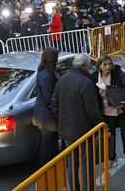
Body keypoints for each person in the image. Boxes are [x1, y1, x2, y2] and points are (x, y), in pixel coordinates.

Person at [51, 53, 104, 191]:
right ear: (86, 66)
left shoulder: (62, 80)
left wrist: (63, 120)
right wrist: (102, 125)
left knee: (72, 164)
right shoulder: (86, 82)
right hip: (84, 132)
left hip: (67, 130)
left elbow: (54, 105)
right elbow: (92, 110)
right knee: (87, 165)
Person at [93, 55, 125, 176]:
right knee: (110, 137)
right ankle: (112, 158)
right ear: (99, 66)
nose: (108, 67)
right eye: (105, 64)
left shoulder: (118, 74)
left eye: (109, 64)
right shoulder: (95, 77)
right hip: (106, 113)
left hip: (121, 111)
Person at [32, 47, 59, 167]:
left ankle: (56, 162)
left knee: (51, 140)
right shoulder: (48, 76)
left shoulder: (42, 71)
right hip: (47, 116)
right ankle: (42, 168)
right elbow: (49, 98)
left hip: (41, 112)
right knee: (47, 141)